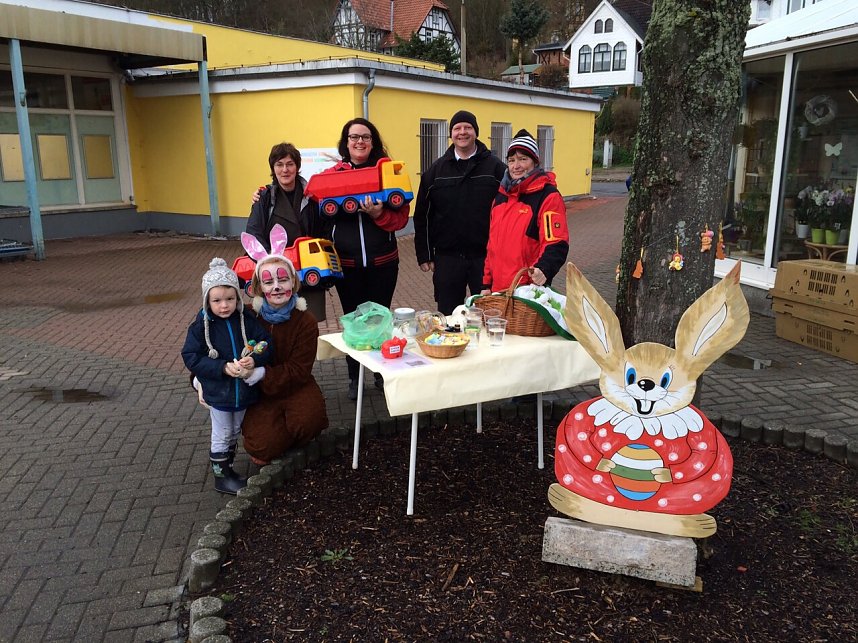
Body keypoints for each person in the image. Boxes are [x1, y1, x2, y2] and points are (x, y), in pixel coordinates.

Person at [323, 118, 410, 400]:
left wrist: (377, 214)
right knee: (353, 321)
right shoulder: (333, 173)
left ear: (373, 142)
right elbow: (319, 212)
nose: (359, 142)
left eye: (365, 137)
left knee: (380, 319)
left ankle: (380, 373)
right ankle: (354, 376)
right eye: (353, 137)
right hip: (347, 267)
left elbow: (399, 220)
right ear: (345, 142)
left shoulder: (386, 171)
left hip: (383, 262)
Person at [181, 258, 273, 494]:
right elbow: (191, 356)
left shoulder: (246, 320)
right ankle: (221, 477)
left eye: (230, 299)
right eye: (217, 300)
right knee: (222, 431)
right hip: (219, 391)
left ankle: (228, 466)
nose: (224, 306)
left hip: (242, 391)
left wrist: (255, 358)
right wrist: (221, 367)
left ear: (238, 298)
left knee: (234, 429)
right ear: (207, 300)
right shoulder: (201, 327)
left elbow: (265, 342)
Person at [239, 225, 329, 464]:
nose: (276, 286)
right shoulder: (248, 316)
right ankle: (278, 434)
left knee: (309, 422)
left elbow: (300, 371)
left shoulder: (305, 321)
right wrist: (199, 381)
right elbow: (212, 337)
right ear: (259, 287)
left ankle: (290, 431)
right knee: (260, 447)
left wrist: (261, 373)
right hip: (260, 394)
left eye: (282, 279)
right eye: (268, 282)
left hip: (295, 385)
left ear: (293, 283)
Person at [412, 110, 506, 315]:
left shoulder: (497, 169)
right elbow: (422, 216)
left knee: (487, 313)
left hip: (486, 257)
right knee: (448, 316)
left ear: (476, 132)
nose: (462, 132)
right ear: (451, 134)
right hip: (447, 258)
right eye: (457, 128)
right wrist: (425, 253)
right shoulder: (435, 172)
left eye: (468, 127)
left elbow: (509, 211)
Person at [246, 142, 333, 321]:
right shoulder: (264, 198)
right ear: (273, 168)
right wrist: (270, 263)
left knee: (309, 323)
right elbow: (254, 232)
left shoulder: (312, 195)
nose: (285, 170)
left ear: (297, 167)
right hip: (276, 276)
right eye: (279, 164)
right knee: (278, 324)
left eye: (289, 164)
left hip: (309, 271)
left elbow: (325, 229)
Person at [481, 129, 569, 294]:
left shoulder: (548, 196)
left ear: (535, 162)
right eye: (512, 160)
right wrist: (486, 284)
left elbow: (556, 242)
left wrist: (544, 269)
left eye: (523, 159)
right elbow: (492, 246)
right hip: (498, 292)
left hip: (527, 293)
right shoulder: (500, 198)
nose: (516, 166)